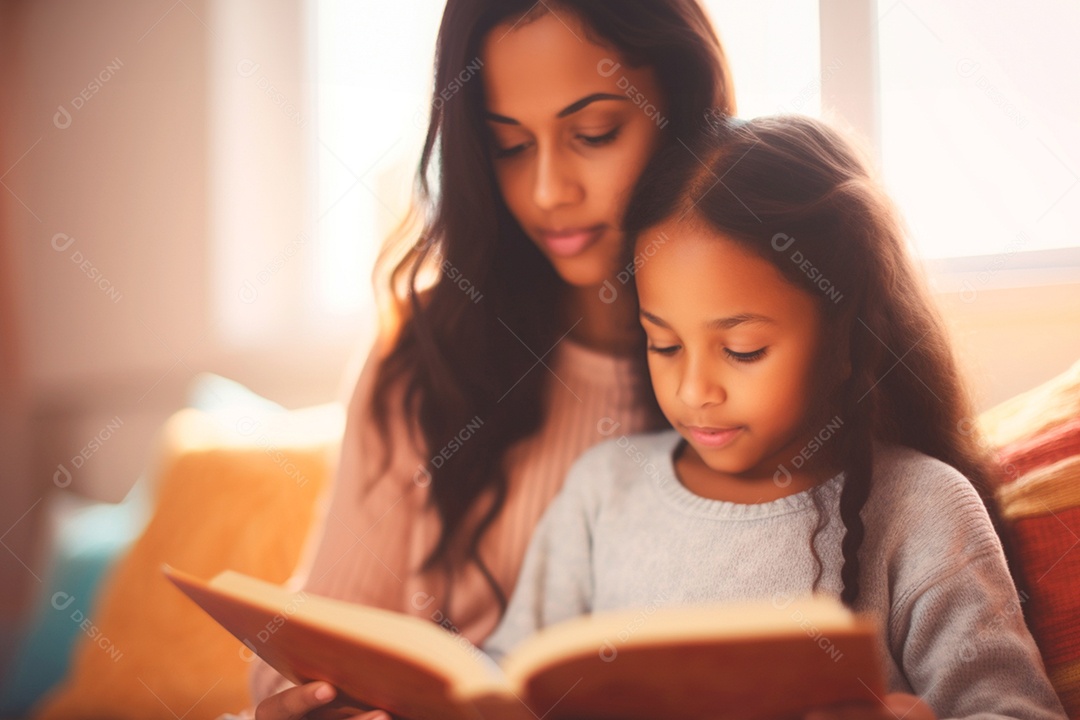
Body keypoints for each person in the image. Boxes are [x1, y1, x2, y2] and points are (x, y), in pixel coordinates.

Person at [483, 115, 1068, 719]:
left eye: (743, 351)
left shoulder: (924, 508)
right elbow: (507, 675)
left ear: (847, 338)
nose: (694, 389)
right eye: (664, 344)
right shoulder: (602, 489)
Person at [244, 1, 735, 718]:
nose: (547, 193)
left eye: (594, 134)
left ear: (684, 108)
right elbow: (317, 629)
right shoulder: (423, 357)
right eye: (508, 145)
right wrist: (298, 698)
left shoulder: (778, 335)